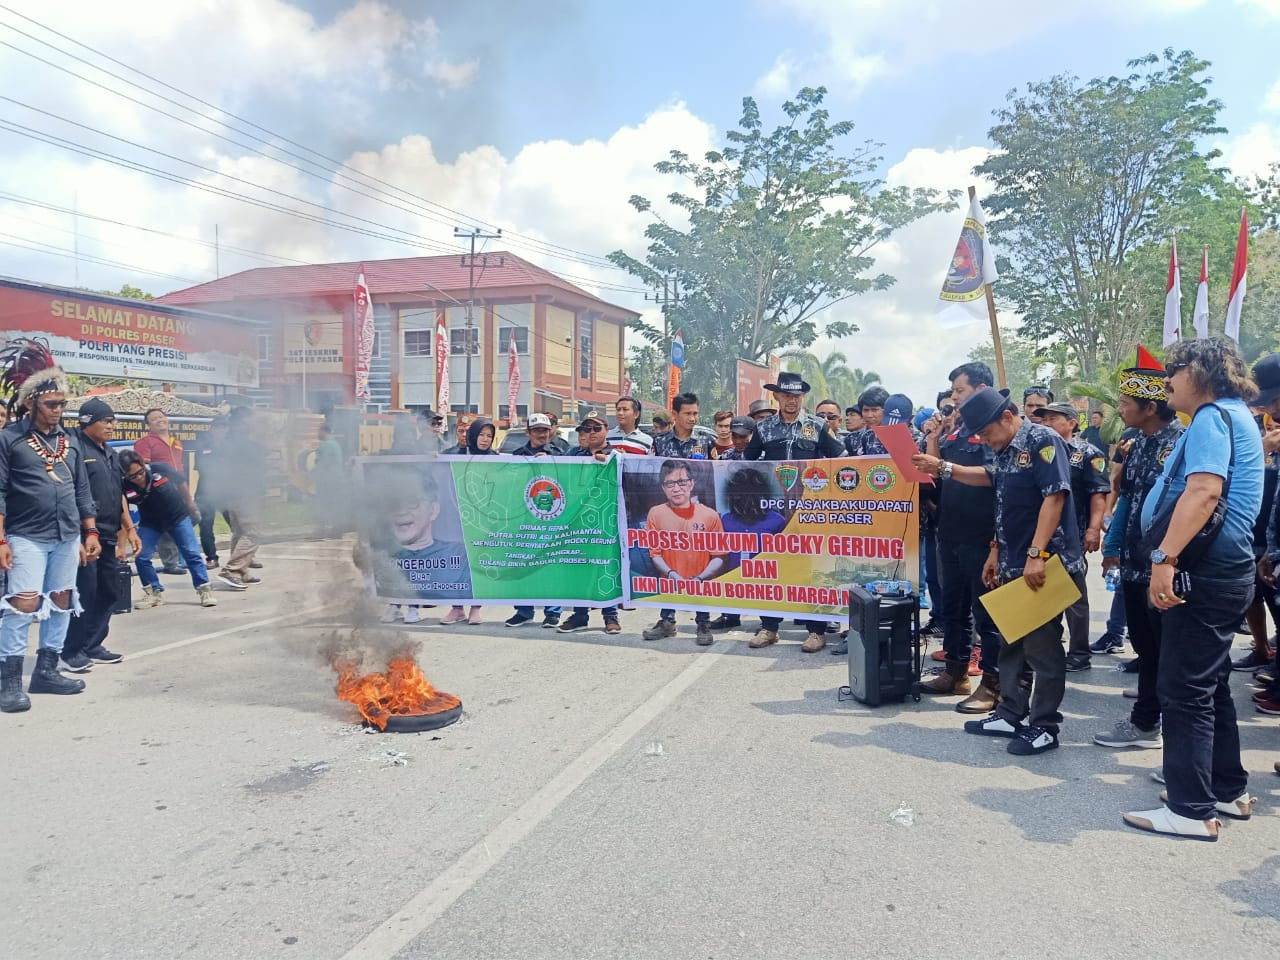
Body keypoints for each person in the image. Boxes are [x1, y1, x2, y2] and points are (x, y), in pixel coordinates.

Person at [1124, 337, 1263, 840]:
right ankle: (1226, 789)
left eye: (1174, 370)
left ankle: (1189, 808)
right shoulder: (1232, 415)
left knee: (1182, 691)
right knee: (1210, 686)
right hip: (1222, 574)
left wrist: (1164, 557)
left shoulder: (1211, 418)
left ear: (1201, 372)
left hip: (1203, 574)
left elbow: (1203, 491)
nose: (1167, 382)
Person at [914, 386, 1082, 757]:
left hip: (1044, 563)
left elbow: (1055, 496)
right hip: (1011, 560)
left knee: (1043, 648)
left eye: (988, 433)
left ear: (1007, 417)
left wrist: (1036, 553)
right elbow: (1001, 495)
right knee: (1011, 643)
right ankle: (1010, 712)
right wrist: (995, 549)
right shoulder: (1005, 449)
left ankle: (1044, 726)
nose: (986, 442)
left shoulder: (1043, 439)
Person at [1093, 348, 1184, 749]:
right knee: (1146, 649)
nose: (1120, 409)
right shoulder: (1136, 441)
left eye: (1126, 403)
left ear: (1150, 406)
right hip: (1131, 562)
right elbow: (1126, 496)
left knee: (1169, 654)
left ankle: (1172, 732)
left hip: (1162, 565)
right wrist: (1112, 546)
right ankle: (1146, 724)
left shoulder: (1180, 444)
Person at [0, 339, 98, 710]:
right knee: (23, 604)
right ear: (30, 403)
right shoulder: (9, 440)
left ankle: (46, 671)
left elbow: (81, 489)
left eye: (62, 404)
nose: (59, 410)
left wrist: (89, 531)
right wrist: (1, 541)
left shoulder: (69, 440)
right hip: (26, 536)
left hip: (67, 535)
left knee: (61, 600)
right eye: (51, 404)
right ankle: (8, 681)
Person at [916, 362, 1003, 707]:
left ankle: (993, 684)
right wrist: (933, 440)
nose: (953, 398)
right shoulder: (954, 431)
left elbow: (991, 474)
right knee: (952, 608)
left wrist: (945, 466)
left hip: (982, 535)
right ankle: (955, 673)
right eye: (951, 392)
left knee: (988, 614)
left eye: (959, 391)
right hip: (948, 531)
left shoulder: (991, 429)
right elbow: (933, 473)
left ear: (981, 390)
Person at [741, 371, 844, 652]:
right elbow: (746, 463)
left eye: (797, 396)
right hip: (773, 509)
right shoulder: (764, 429)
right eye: (786, 395)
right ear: (776, 396)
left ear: (803, 397)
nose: (791, 401)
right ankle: (769, 627)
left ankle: (816, 630)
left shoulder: (818, 427)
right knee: (771, 565)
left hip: (809, 509)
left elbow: (843, 460)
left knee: (811, 568)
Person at [61, 398, 139, 672]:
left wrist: (128, 529)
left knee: (109, 591)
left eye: (112, 420)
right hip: (84, 534)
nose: (111, 425)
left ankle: (92, 644)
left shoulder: (109, 453)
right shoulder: (74, 448)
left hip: (107, 533)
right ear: (86, 421)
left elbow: (118, 495)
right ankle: (71, 651)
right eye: (105, 420)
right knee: (85, 592)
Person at [1033, 401, 1108, 672]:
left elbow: (1098, 495)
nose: (1047, 423)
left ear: (1072, 423)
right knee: (1043, 594)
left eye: (1054, 418)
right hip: (1041, 537)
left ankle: (1079, 653)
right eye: (1045, 419)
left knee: (1075, 599)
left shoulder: (1088, 453)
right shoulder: (1041, 451)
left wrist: (1093, 529)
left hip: (1072, 537)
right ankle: (1049, 650)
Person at [645, 392, 716, 643]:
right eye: (687, 413)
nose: (693, 418)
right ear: (674, 415)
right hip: (669, 512)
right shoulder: (660, 442)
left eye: (696, 413)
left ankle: (703, 624)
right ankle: (667, 620)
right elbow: (651, 468)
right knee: (669, 561)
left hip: (698, 512)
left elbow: (718, 467)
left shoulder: (706, 440)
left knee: (699, 563)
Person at [642, 458, 727, 646]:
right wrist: (672, 574)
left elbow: (719, 556)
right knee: (667, 592)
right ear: (663, 487)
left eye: (682, 482)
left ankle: (703, 624)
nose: (676, 488)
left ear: (691, 484)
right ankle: (667, 622)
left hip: (701, 580)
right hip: (669, 578)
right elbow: (654, 553)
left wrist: (700, 578)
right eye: (670, 483)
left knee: (701, 598)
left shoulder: (709, 515)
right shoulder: (655, 513)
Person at [120, 449, 217, 608]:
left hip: (177, 517)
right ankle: (154, 592)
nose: (138, 478)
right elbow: (121, 507)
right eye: (132, 476)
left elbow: (181, 482)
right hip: (150, 523)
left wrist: (190, 504)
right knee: (141, 557)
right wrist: (126, 538)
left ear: (144, 465)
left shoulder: (160, 468)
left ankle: (204, 589)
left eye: (140, 472)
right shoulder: (123, 484)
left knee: (191, 553)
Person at [557, 411, 621, 634]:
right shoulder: (574, 454)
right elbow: (554, 469)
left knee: (605, 566)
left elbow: (626, 476)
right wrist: (541, 460)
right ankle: (580, 615)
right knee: (578, 567)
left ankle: (610, 615)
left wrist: (611, 462)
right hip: (577, 521)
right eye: (586, 429)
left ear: (607, 430)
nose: (591, 433)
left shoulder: (617, 454)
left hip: (606, 521)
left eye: (596, 428)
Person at [506, 413, 563, 629]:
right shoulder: (517, 455)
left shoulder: (562, 453)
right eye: (537, 430)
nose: (542, 434)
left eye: (545, 430)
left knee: (550, 564)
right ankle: (523, 611)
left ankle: (553, 612)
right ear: (528, 432)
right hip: (523, 517)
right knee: (522, 563)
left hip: (551, 517)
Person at [442, 417, 497, 625]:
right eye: (481, 435)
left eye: (489, 436)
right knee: (456, 562)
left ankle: (476, 608)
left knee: (478, 563)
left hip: (481, 520)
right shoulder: (452, 456)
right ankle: (457, 608)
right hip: (456, 518)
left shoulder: (496, 459)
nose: (485, 440)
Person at [216, 406, 265, 591]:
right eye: (253, 418)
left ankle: (242, 571)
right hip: (244, 492)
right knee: (253, 532)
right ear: (244, 420)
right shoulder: (242, 441)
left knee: (240, 532)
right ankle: (232, 570)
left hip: (234, 492)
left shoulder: (231, 438)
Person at [134, 407, 187, 575]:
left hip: (178, 489)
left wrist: (183, 485)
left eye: (162, 416)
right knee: (164, 525)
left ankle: (180, 558)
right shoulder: (145, 442)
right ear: (148, 425)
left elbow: (181, 466)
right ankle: (170, 563)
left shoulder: (176, 442)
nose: (160, 420)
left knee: (187, 519)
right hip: (159, 491)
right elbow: (144, 467)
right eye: (154, 418)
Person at [193, 416, 228, 568]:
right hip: (206, 491)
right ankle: (211, 558)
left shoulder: (233, 446)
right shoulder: (203, 446)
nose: (221, 430)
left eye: (224, 427)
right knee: (206, 526)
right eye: (217, 427)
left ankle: (244, 556)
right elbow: (201, 466)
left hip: (228, 490)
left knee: (237, 524)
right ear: (211, 429)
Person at [845, 392, 919, 457]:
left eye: (874, 410)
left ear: (885, 411)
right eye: (865, 410)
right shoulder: (854, 439)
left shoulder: (915, 438)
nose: (869, 415)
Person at [311, 423, 347, 539]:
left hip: (327, 480)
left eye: (318, 431)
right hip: (336, 479)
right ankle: (337, 530)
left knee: (323, 504)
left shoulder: (326, 445)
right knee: (335, 505)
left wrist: (314, 472)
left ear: (323, 431)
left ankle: (322, 530)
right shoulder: (336, 444)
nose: (317, 434)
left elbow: (323, 463)